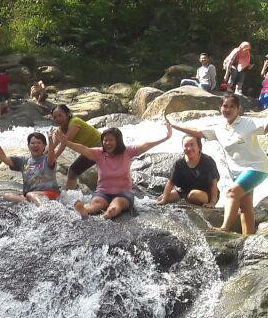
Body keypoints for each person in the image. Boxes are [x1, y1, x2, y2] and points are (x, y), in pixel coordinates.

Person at [166, 94, 268, 234]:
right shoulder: (219, 129)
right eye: (225, 106)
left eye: (232, 106)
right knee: (245, 208)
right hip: (237, 172)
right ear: (220, 108)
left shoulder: (248, 123)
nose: (228, 109)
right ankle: (248, 239)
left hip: (257, 168)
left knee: (231, 193)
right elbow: (197, 132)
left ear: (238, 109)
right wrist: (174, 126)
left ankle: (224, 228)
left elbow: (266, 127)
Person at [60, 123, 172, 219]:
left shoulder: (127, 151)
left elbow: (145, 145)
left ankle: (109, 213)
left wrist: (165, 138)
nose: (107, 143)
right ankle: (84, 210)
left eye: (111, 140)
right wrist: (67, 143)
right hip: (103, 192)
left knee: (117, 203)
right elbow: (83, 149)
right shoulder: (98, 153)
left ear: (118, 141)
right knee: (97, 203)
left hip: (124, 193)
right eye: (105, 140)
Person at [0, 126, 65, 205]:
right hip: (30, 197)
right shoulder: (24, 161)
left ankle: (43, 210)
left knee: (30, 195)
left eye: (39, 143)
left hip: (51, 194)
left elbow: (51, 154)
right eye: (32, 143)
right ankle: (33, 205)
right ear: (28, 146)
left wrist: (50, 141)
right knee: (7, 196)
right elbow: (4, 159)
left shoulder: (47, 159)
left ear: (44, 146)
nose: (35, 145)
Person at [155, 134, 219, 207]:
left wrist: (213, 202)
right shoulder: (179, 163)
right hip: (184, 192)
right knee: (160, 199)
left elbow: (214, 183)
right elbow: (170, 183)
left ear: (199, 146)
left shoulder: (208, 161)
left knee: (193, 195)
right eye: (186, 145)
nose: (189, 148)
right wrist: (164, 200)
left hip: (206, 194)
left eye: (192, 145)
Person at [50, 104, 101, 189]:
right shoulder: (59, 130)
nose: (58, 119)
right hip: (88, 151)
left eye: (60, 115)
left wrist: (53, 158)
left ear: (67, 114)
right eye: (55, 117)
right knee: (73, 171)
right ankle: (69, 196)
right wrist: (41, 154)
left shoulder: (75, 122)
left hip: (101, 147)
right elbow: (52, 146)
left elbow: (65, 142)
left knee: (73, 170)